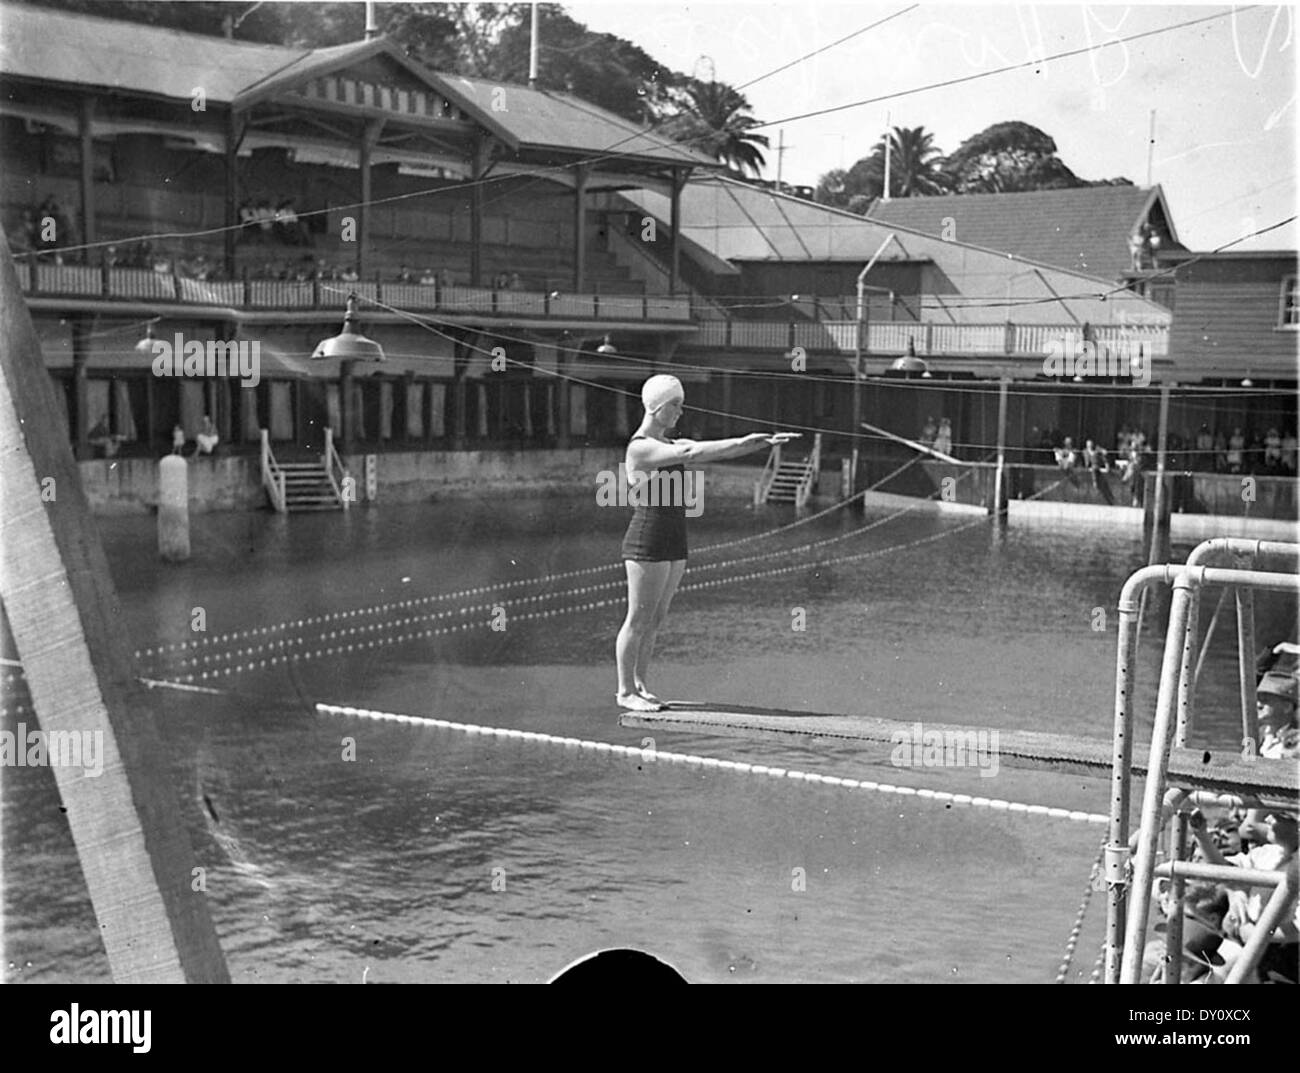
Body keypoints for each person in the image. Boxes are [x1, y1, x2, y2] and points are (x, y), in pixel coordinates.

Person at [615, 374, 795, 712]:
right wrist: (743, 440)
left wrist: (757, 444)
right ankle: (625, 691)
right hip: (647, 539)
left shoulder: (667, 445)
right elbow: (693, 451)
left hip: (673, 536)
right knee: (637, 618)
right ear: (657, 408)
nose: (681, 413)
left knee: (655, 618)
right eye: (676, 406)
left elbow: (703, 453)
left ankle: (640, 684)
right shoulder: (640, 446)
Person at [1190, 809, 1299, 983]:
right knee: (1210, 977)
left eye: (1280, 815)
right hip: (1245, 938)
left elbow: (1296, 931)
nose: (1269, 819)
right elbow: (1224, 869)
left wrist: (1256, 934)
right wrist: (1201, 835)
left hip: (1282, 954)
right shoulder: (1270, 853)